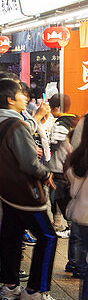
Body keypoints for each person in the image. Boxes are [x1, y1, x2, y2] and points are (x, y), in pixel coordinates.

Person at [0, 77, 61, 300]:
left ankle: (9, 286)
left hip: (6, 190)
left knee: (11, 236)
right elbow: (29, 163)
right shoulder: (17, 125)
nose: (25, 97)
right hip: (24, 193)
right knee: (48, 237)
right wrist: (45, 173)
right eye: (20, 94)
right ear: (10, 100)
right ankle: (35, 291)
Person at [45, 93, 77, 235]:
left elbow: (54, 145)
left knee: (58, 197)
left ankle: (68, 225)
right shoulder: (76, 120)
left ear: (57, 108)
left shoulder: (60, 124)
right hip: (71, 166)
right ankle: (63, 224)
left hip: (58, 166)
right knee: (66, 196)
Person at [64, 113, 88, 289]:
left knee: (77, 235)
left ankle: (75, 263)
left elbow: (69, 175)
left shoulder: (78, 154)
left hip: (79, 207)